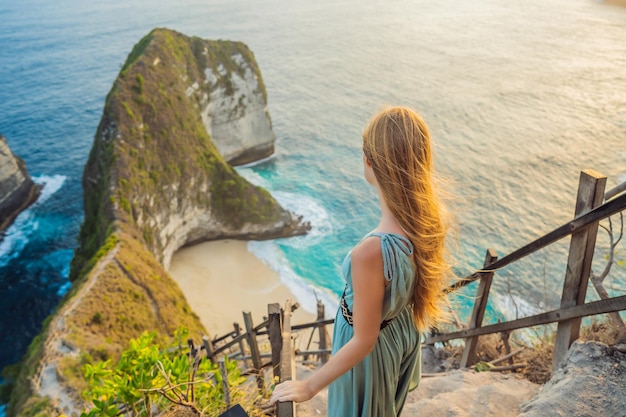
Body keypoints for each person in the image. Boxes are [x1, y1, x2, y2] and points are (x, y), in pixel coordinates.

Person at [270, 105, 450, 416]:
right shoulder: (427, 224)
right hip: (397, 334)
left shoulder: (371, 252)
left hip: (369, 353)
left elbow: (364, 340)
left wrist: (310, 386)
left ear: (368, 162)